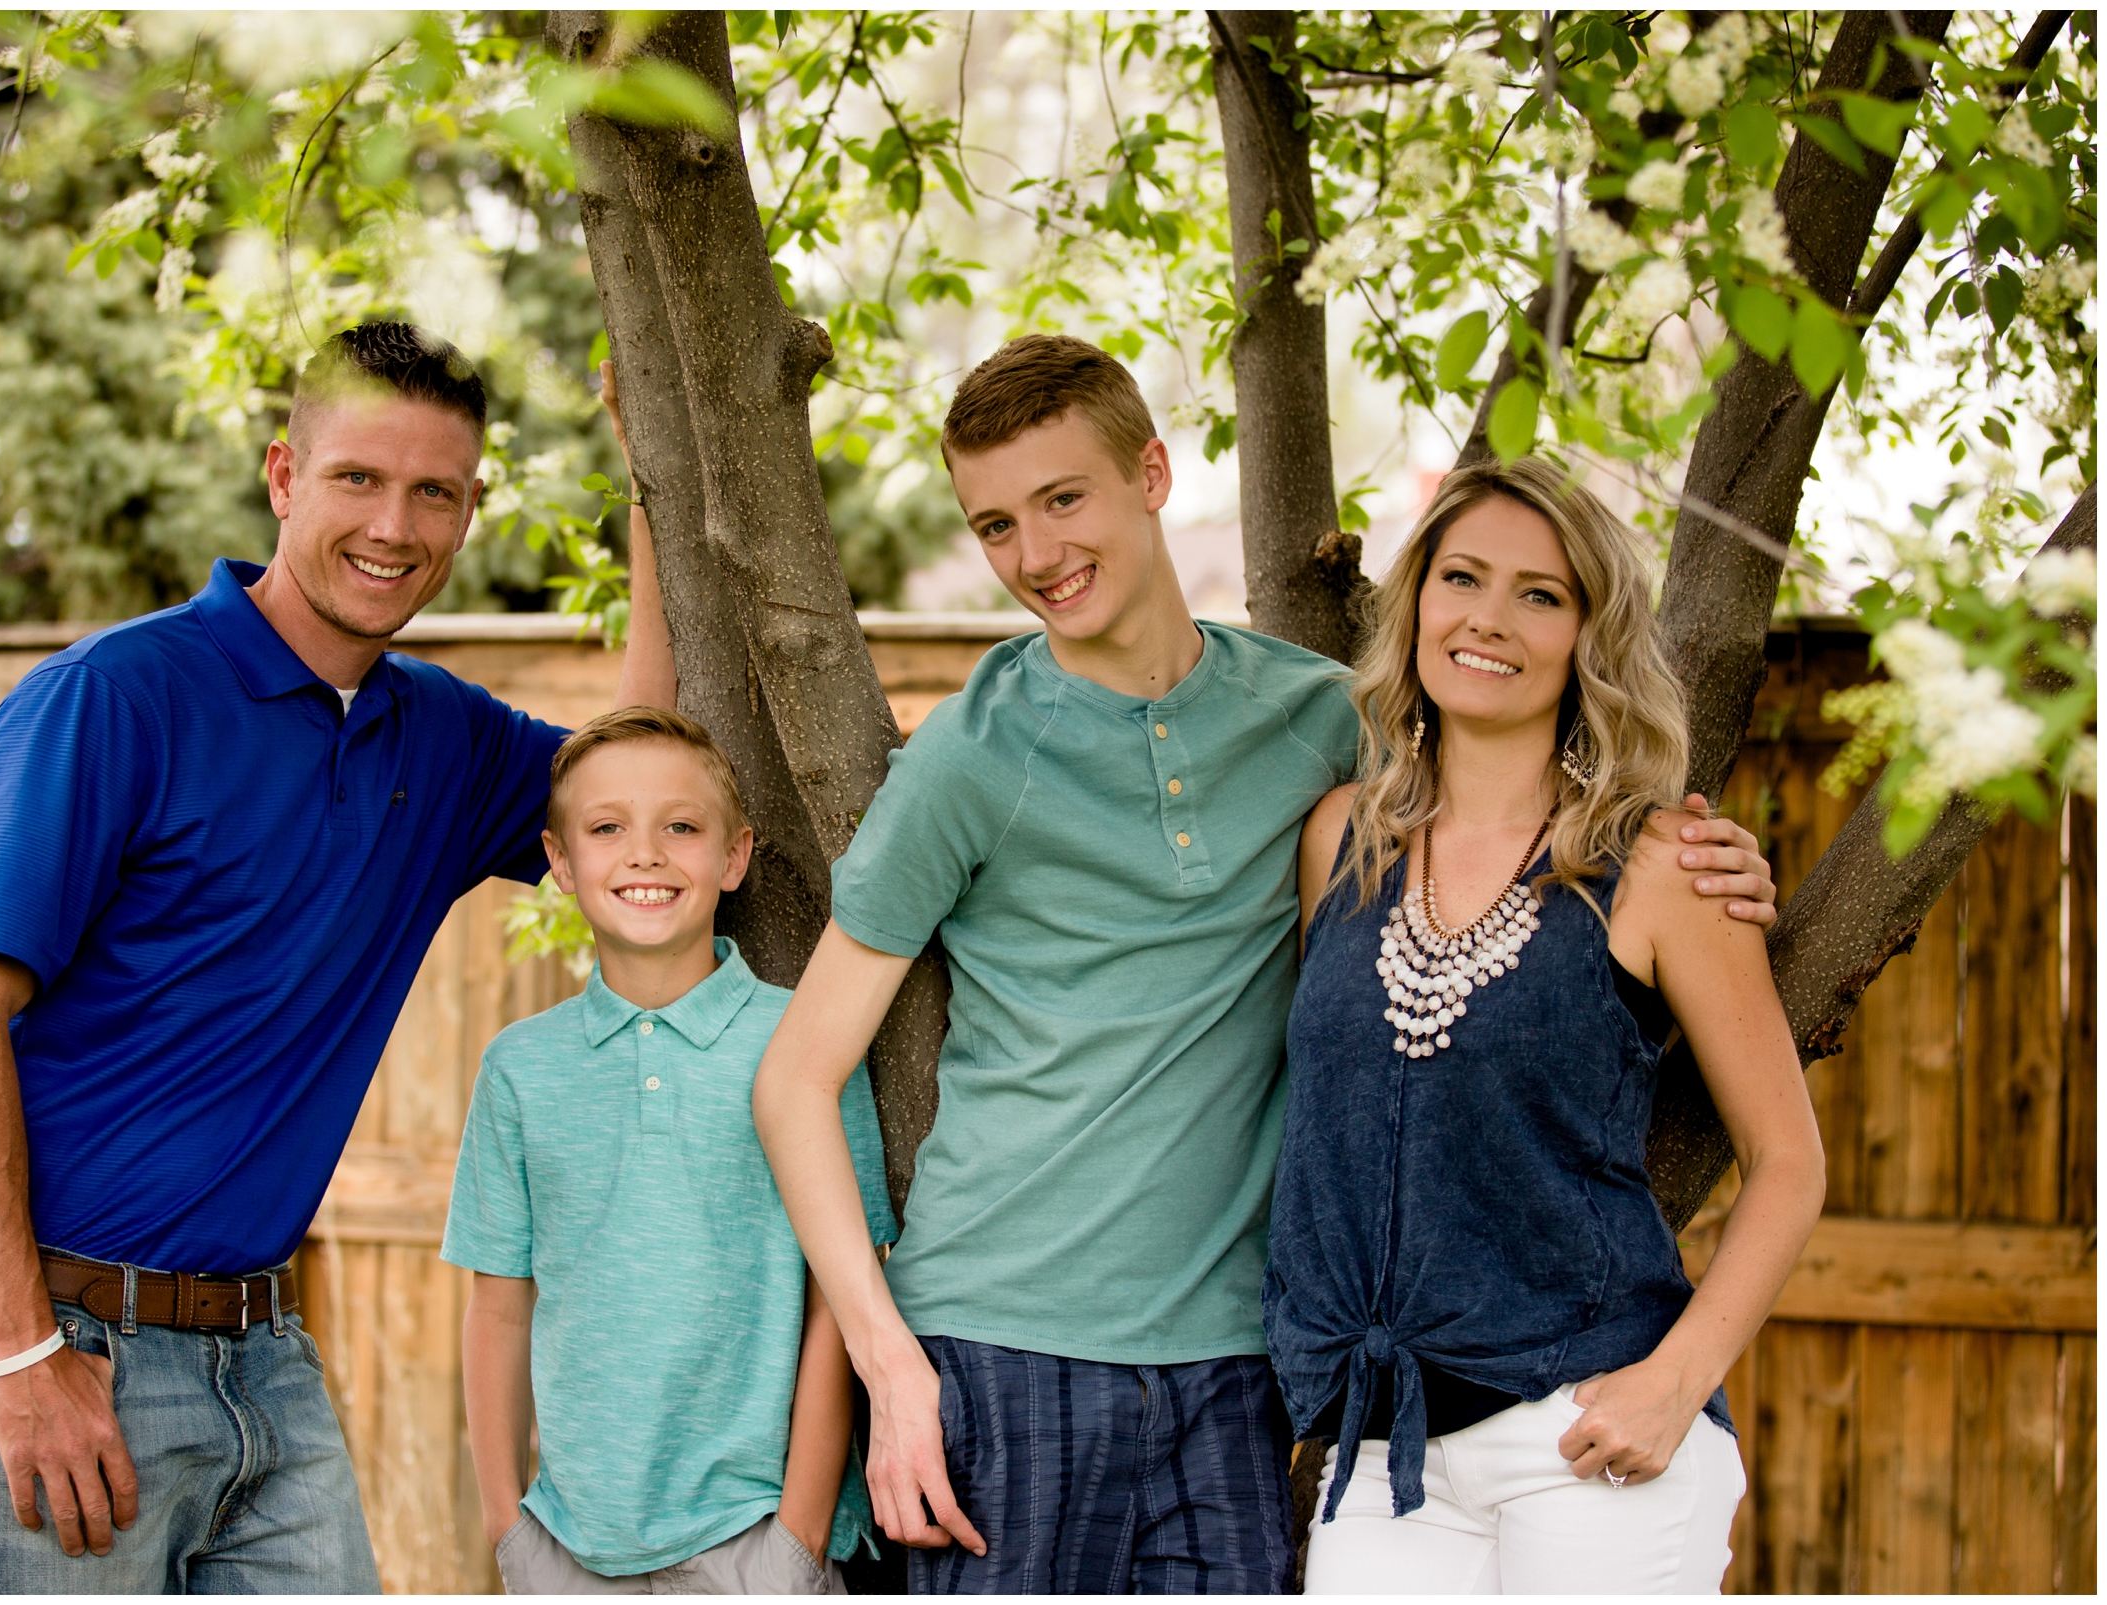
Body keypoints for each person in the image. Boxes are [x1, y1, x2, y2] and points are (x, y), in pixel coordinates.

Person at [749, 334, 1782, 1594]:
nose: (1036, 554)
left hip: (1242, 1369)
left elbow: (1508, 772)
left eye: (1063, 499)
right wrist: (889, 1360)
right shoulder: (969, 762)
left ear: (1152, 473)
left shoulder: (1320, 724)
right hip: (1006, 1341)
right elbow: (796, 1079)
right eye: (996, 525)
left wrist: (1707, 862)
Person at [0, 321, 675, 1593]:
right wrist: (20, 1353)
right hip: (59, 1343)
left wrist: (655, 486)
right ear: (283, 478)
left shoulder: (445, 740)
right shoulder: (117, 697)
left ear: (471, 510)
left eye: (437, 492)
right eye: (360, 478)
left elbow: (649, 776)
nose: (397, 525)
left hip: (263, 1355)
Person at [1267, 457, 1827, 1594]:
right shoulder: (1338, 843)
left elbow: (1788, 1161)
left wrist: (1675, 1383)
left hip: (1583, 1433)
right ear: (1417, 599)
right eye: (1462, 577)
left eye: (1541, 594)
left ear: (1588, 636)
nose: (1488, 618)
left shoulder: (1666, 865)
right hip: (1383, 1451)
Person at [447, 706, 896, 1594]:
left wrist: (798, 1539)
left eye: (681, 826)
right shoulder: (520, 1069)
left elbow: (835, 1299)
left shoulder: (805, 1045)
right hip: (569, 1548)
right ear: (561, 863)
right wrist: (509, 1533)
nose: (645, 854)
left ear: (734, 856)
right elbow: (498, 1311)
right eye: (607, 827)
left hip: (754, 1541)